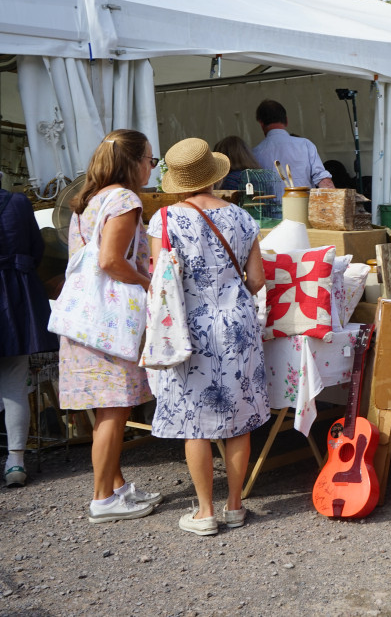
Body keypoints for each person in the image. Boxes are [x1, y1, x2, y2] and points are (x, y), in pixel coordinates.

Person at [148, 138, 269, 536]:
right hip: (237, 326)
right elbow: (256, 280)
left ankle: (204, 512)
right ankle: (235, 506)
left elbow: (160, 280)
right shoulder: (242, 218)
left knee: (193, 421)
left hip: (189, 328)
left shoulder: (163, 220)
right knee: (239, 416)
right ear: (213, 175)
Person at [58, 129, 161, 522]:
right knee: (114, 409)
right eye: (150, 159)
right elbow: (110, 261)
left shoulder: (89, 199)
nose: (152, 166)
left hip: (85, 319)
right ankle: (103, 498)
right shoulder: (125, 199)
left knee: (107, 410)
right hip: (109, 323)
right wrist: (148, 282)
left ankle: (115, 487)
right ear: (133, 162)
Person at [0, 175, 59, 487]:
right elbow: (37, 251)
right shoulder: (19, 202)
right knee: (13, 385)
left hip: (13, 293)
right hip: (14, 299)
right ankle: (15, 463)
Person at [251, 99, 334, 189]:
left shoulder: (254, 154)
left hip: (272, 203)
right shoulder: (305, 145)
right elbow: (324, 181)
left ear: (261, 123)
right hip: (305, 202)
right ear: (286, 121)